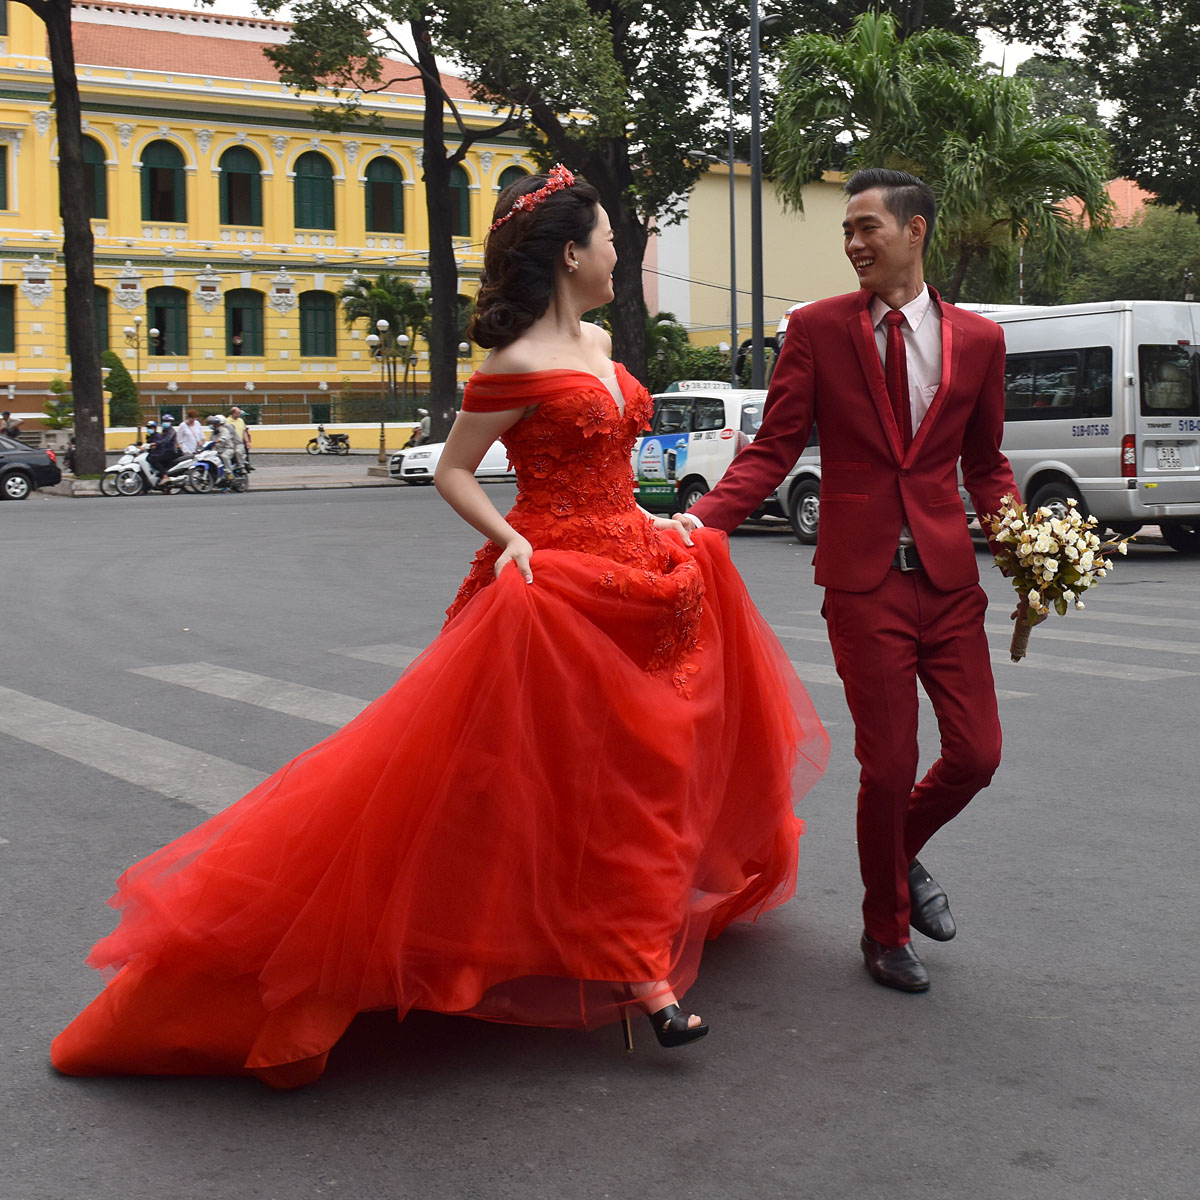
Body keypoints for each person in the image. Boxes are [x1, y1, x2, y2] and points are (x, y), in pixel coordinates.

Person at [51, 166, 827, 1089]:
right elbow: (456, 471)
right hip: (552, 590)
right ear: (572, 254)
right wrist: (510, 540)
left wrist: (661, 521)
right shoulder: (511, 366)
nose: (624, 253)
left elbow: (618, 467)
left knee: (639, 771)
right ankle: (636, 970)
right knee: (548, 786)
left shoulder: (604, 344)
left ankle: (626, 942)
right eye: (613, 240)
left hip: (641, 576)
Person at [675, 167, 1022, 994]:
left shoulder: (979, 340)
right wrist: (705, 519)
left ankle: (895, 861)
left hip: (947, 580)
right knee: (890, 763)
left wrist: (1029, 547)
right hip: (865, 583)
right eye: (847, 231)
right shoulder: (819, 329)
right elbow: (776, 444)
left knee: (978, 754)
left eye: (868, 227)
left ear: (916, 231)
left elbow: (986, 464)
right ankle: (885, 930)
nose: (854, 243)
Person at [146, 413, 179, 478]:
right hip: (165, 451)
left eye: (167, 421)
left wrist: (156, 443)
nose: (165, 422)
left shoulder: (171, 431)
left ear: (171, 422)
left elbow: (166, 440)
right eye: (164, 421)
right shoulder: (164, 431)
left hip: (171, 451)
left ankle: (165, 476)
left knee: (155, 460)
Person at [227, 405, 251, 469]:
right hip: (230, 443)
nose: (239, 414)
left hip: (239, 443)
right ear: (233, 413)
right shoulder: (227, 421)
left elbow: (244, 432)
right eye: (238, 413)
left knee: (239, 452)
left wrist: (247, 442)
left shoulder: (241, 420)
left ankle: (241, 466)